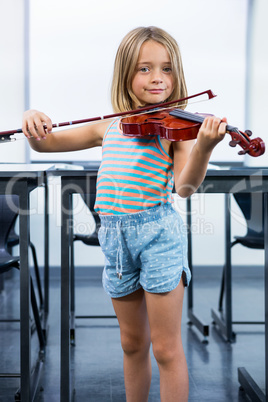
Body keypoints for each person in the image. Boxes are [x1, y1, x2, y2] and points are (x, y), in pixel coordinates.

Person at [22, 26, 226, 402]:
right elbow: (46, 143)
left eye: (166, 69)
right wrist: (33, 117)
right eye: (144, 68)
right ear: (125, 74)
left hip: (158, 238)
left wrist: (204, 148)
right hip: (115, 241)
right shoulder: (111, 126)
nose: (157, 79)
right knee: (132, 344)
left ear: (177, 74)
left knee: (165, 349)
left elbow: (184, 186)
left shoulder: (176, 131)